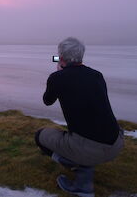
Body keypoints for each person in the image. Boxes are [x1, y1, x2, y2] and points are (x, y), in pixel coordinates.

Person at [34, 37, 124, 197]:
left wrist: (58, 75)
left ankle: (82, 177)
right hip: (116, 143)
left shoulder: (57, 78)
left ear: (61, 58)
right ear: (81, 56)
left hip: (88, 148)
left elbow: (47, 101)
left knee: (40, 136)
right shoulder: (97, 75)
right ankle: (83, 160)